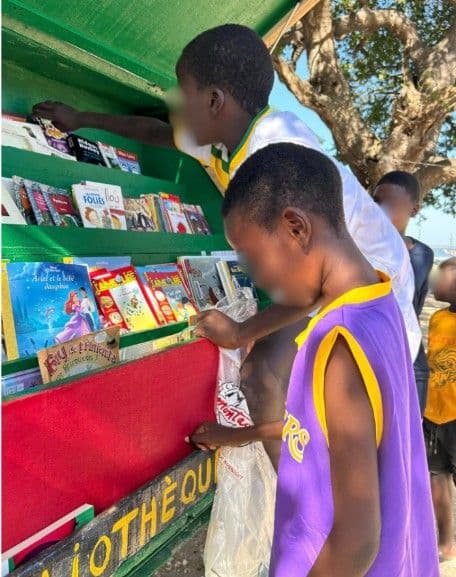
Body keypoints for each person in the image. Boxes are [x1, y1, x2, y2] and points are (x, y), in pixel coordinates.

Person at [32, 24, 419, 361]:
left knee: (270, 376)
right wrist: (82, 119)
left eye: (184, 95)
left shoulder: (278, 156)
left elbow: (315, 282)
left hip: (379, 304)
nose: (175, 108)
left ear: (215, 101)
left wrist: (240, 332)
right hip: (332, 289)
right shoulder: (222, 136)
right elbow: (155, 133)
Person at [192, 144, 438, 577]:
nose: (258, 279)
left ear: (296, 228)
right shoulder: (381, 303)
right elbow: (319, 433)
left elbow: (358, 540)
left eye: (253, 259)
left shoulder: (338, 344)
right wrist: (240, 434)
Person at [374, 171, 434, 413]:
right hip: (370, 356)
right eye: (376, 202)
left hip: (410, 361)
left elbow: (413, 308)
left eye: (391, 204)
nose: (381, 211)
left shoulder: (422, 255)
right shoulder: (359, 252)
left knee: (410, 437)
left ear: (414, 210)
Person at [423, 257, 456, 561]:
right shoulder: (438, 319)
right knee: (436, 478)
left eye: (443, 276)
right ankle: (446, 543)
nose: (435, 282)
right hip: (434, 413)